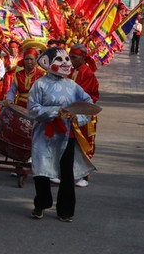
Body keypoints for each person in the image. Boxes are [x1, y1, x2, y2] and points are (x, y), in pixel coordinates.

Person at [27, 47, 95, 222]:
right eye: (59, 59)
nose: (66, 63)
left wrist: (76, 115)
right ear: (46, 63)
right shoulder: (39, 84)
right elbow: (33, 109)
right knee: (41, 171)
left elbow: (88, 104)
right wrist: (56, 111)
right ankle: (41, 203)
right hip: (44, 135)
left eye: (67, 59)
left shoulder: (72, 85)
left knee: (67, 173)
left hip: (67, 135)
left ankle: (65, 210)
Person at [69, 43, 99, 188]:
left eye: (73, 57)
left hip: (84, 113)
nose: (70, 60)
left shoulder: (88, 74)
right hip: (70, 113)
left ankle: (84, 176)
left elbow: (84, 95)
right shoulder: (70, 71)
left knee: (83, 144)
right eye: (70, 57)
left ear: (82, 57)